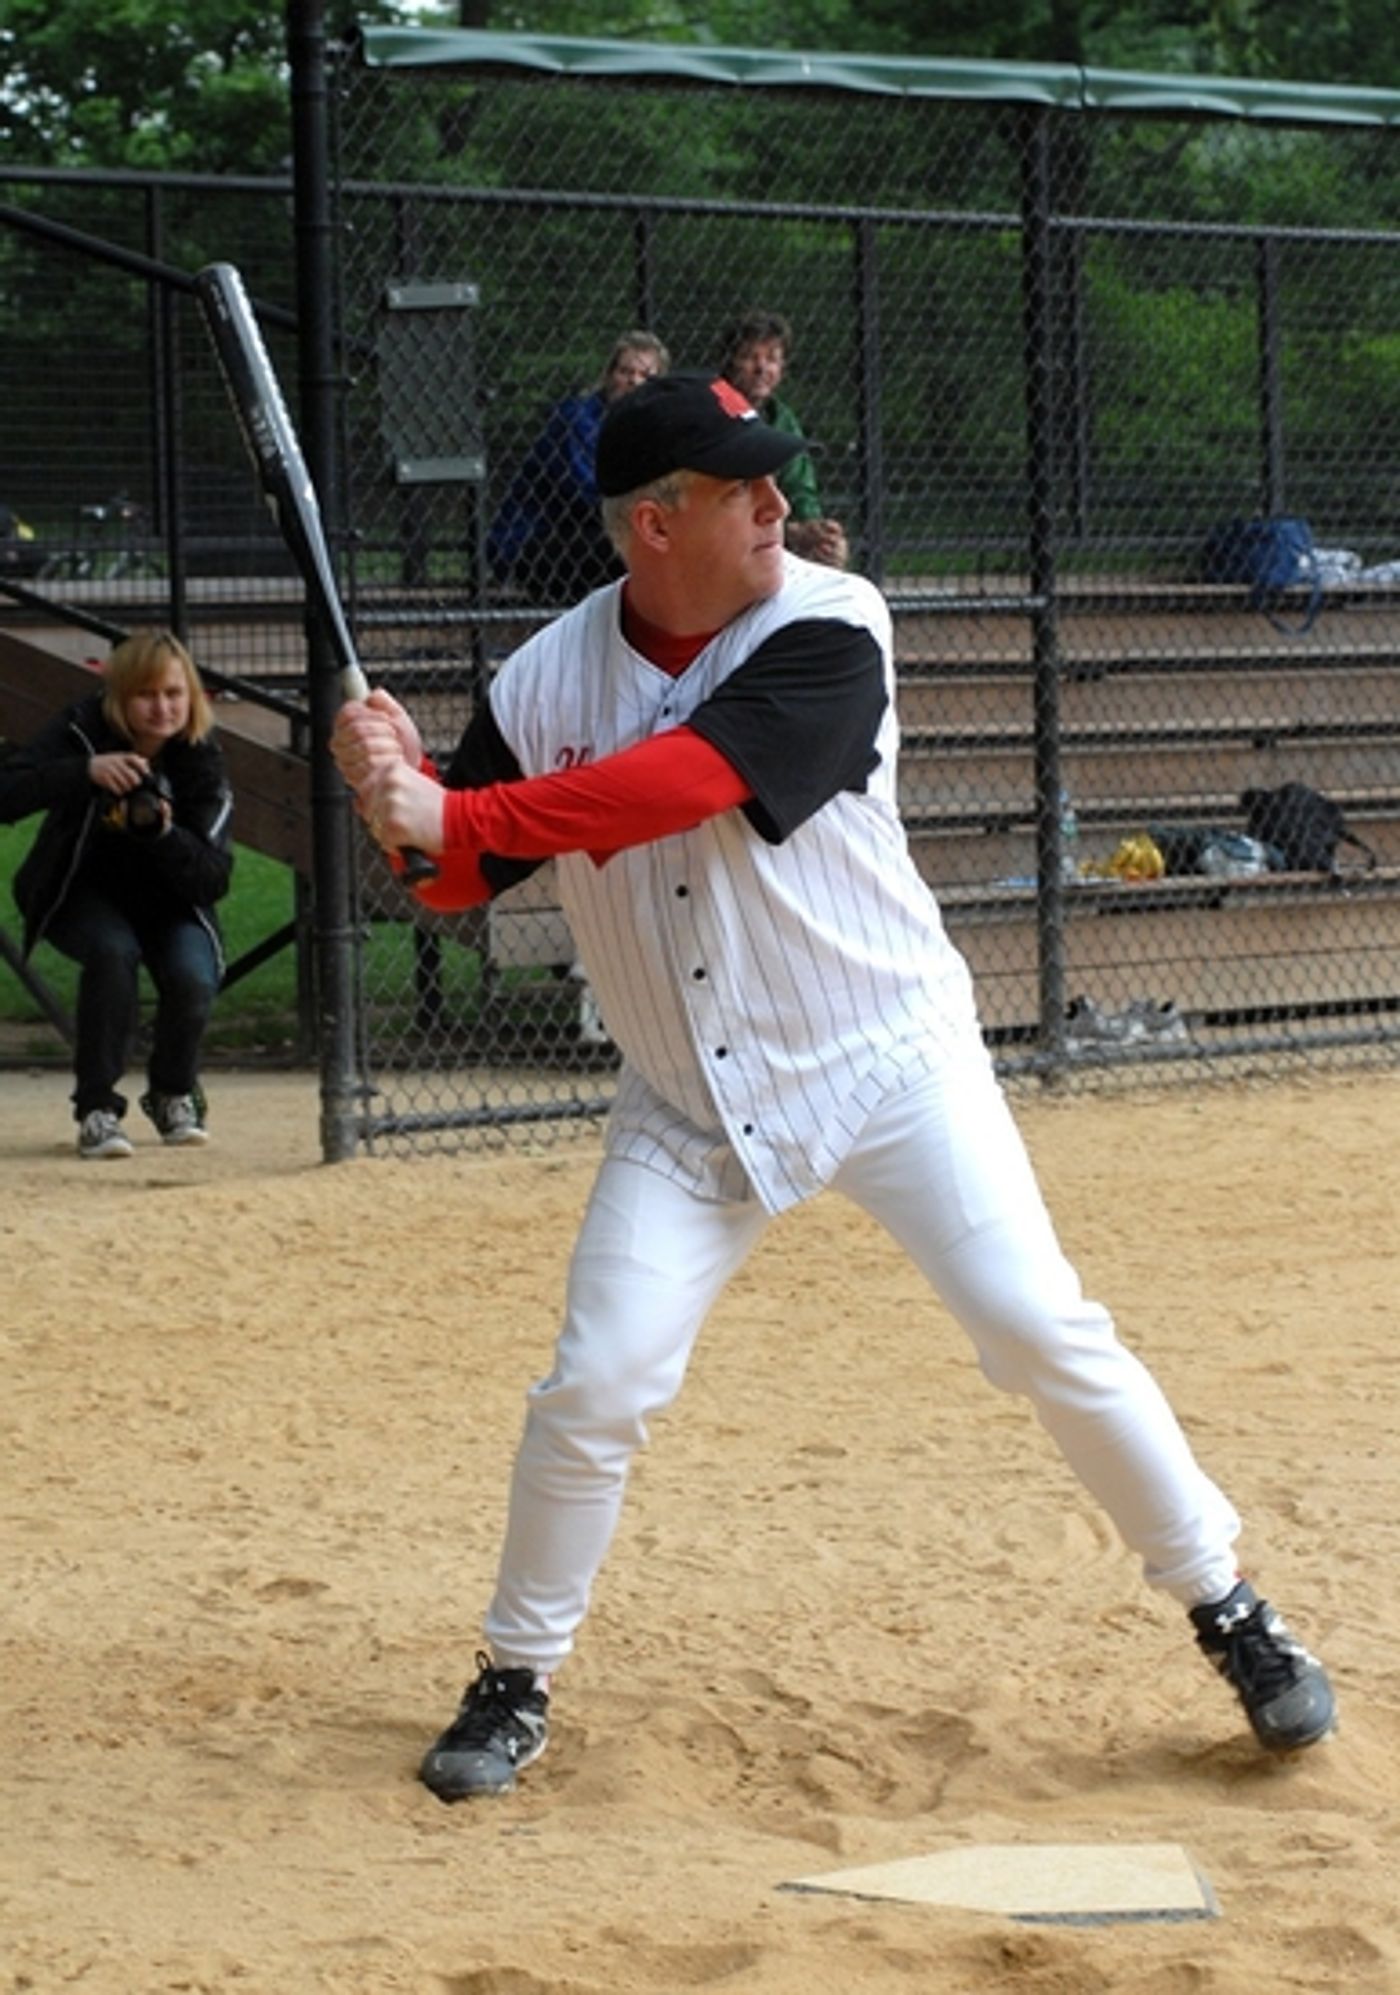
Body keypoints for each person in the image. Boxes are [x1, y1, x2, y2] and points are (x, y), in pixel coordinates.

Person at [332, 371, 1335, 1803]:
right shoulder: (541, 682)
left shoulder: (830, 622)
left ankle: (1231, 1604)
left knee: (1039, 1325)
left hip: (885, 1061)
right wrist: (395, 796)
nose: (780, 504)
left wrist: (461, 805)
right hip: (686, 1103)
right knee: (596, 1381)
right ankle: (514, 1673)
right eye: (747, 487)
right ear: (655, 522)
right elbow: (453, 879)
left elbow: (689, 776)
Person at [0, 628, 232, 1158]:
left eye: (173, 694)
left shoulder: (201, 758)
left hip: (171, 901)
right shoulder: (82, 729)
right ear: (118, 697)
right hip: (79, 892)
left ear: (191, 698)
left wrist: (164, 834)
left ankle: (173, 1092)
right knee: (112, 953)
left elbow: (213, 878)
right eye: (146, 695)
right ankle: (98, 1109)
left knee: (195, 977)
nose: (161, 708)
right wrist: (84, 772)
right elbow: (5, 792)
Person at [486, 329, 671, 604]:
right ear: (609, 376)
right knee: (640, 544)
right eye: (625, 372)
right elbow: (589, 495)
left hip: (595, 536)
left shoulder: (651, 428)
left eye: (646, 376)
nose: (634, 381)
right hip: (533, 543)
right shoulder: (577, 419)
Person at [718, 307, 848, 569]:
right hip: (724, 544)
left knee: (831, 554)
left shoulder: (781, 418)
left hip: (775, 534)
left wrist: (816, 530)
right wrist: (790, 534)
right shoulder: (713, 410)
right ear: (729, 362)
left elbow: (801, 488)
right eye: (749, 357)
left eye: (772, 359)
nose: (761, 368)